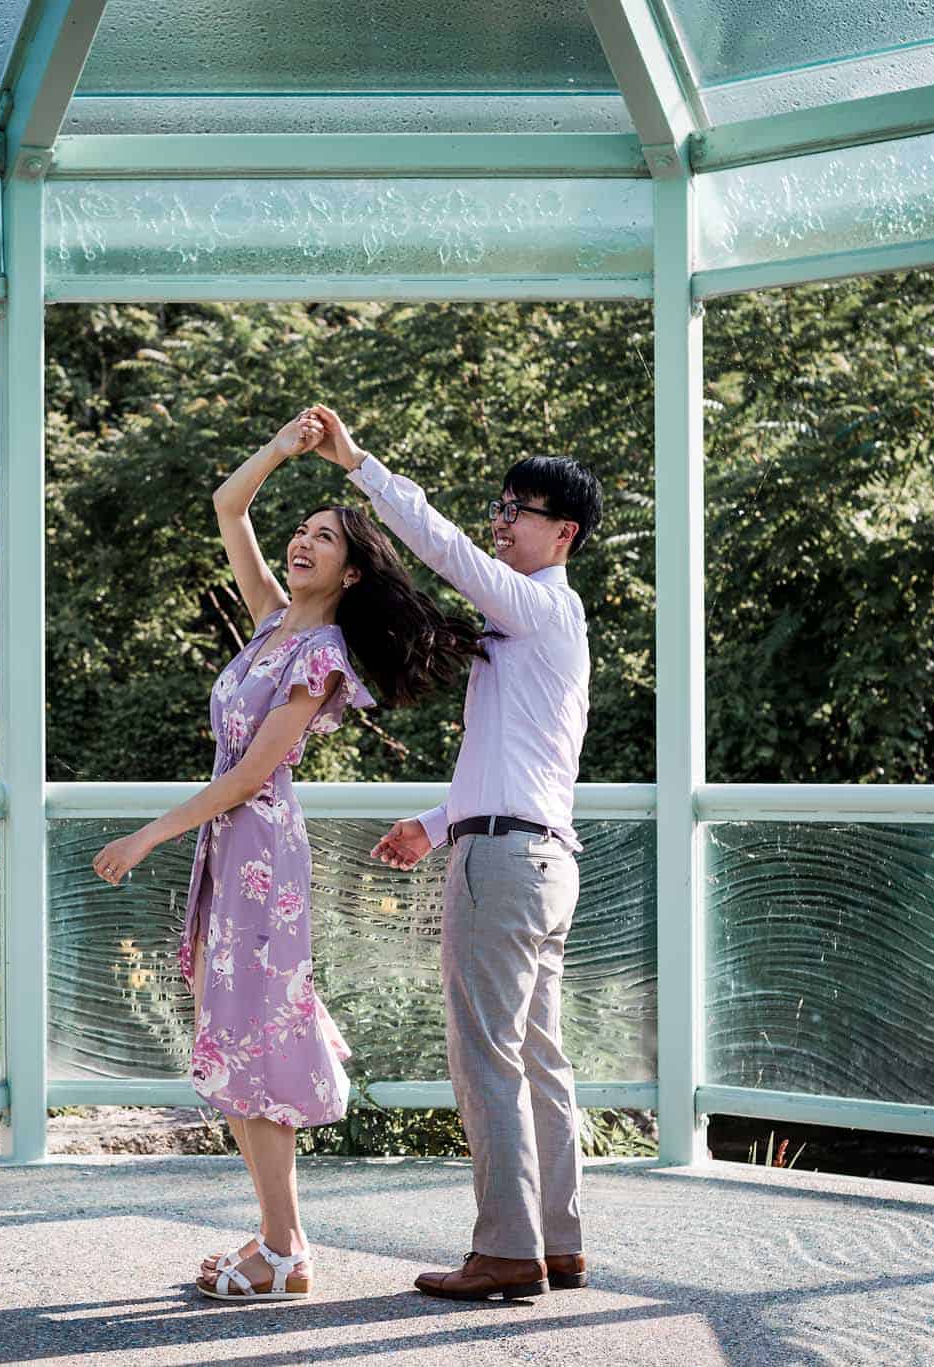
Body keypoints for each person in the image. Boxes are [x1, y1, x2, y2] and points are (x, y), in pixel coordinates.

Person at [90, 410, 483, 1302]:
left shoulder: (322, 652)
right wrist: (279, 448)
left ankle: (283, 1248)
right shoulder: (270, 620)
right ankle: (280, 1241)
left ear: (352, 570)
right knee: (238, 1040)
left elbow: (254, 774)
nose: (303, 543)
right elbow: (228, 508)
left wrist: (150, 832)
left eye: (324, 537)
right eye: (301, 532)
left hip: (261, 848)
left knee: (254, 1042)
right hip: (237, 851)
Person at [306, 403, 603, 1303]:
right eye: (502, 503)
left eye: (522, 508)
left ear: (566, 531)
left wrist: (359, 463)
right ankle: (556, 1242)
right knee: (541, 1059)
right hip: (540, 857)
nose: (502, 519)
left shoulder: (539, 604)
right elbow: (521, 765)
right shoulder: (545, 627)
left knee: (487, 1058)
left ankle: (506, 1251)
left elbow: (441, 549)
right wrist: (437, 824)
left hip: (507, 867)